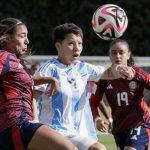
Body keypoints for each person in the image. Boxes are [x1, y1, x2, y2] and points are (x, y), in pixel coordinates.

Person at [33, 23, 135, 150]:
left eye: (80, 43)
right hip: (55, 131)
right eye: (71, 43)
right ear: (58, 46)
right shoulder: (49, 69)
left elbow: (106, 72)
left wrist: (119, 67)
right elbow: (33, 97)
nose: (77, 48)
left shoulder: (83, 68)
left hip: (82, 133)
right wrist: (35, 125)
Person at [0, 18, 78, 150]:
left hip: (14, 124)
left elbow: (26, 80)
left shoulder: (16, 61)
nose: (27, 40)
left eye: (27, 36)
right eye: (22, 35)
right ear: (6, 38)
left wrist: (50, 79)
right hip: (15, 122)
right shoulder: (4, 56)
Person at [90, 39, 150, 150]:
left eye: (121, 52)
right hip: (119, 127)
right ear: (109, 55)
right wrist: (97, 119)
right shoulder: (104, 78)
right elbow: (93, 101)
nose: (117, 56)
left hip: (140, 123)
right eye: (113, 53)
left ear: (128, 55)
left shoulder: (137, 74)